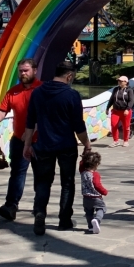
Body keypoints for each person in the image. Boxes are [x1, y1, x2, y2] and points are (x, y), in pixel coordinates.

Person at [23, 60, 92, 235]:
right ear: (69, 76)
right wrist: (87, 144)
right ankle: (64, 219)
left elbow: (30, 121)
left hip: (44, 146)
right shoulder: (72, 95)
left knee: (43, 182)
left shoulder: (37, 93)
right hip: (66, 146)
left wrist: (27, 145)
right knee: (67, 183)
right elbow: (78, 125)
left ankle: (40, 212)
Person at [0, 58, 42, 221]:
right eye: (21, 71)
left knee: (40, 176)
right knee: (17, 174)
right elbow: (2, 110)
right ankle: (11, 206)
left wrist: (31, 132)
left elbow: (46, 115)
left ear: (34, 71)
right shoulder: (13, 91)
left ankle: (39, 208)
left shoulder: (42, 90)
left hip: (40, 142)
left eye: (26, 70)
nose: (23, 73)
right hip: (18, 140)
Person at [80, 150, 108, 234]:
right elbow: (97, 185)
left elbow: (81, 165)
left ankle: (91, 227)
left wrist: (83, 158)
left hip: (86, 198)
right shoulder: (95, 174)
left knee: (88, 212)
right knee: (101, 209)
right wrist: (104, 191)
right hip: (96, 197)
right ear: (96, 164)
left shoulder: (83, 172)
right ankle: (97, 219)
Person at [109, 75, 134, 147]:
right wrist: (107, 108)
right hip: (116, 111)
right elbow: (112, 99)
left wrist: (127, 109)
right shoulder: (115, 89)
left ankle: (126, 140)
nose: (119, 82)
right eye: (118, 81)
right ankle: (116, 141)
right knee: (114, 125)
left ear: (126, 82)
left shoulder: (129, 90)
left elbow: (131, 101)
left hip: (125, 112)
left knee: (126, 126)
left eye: (121, 81)